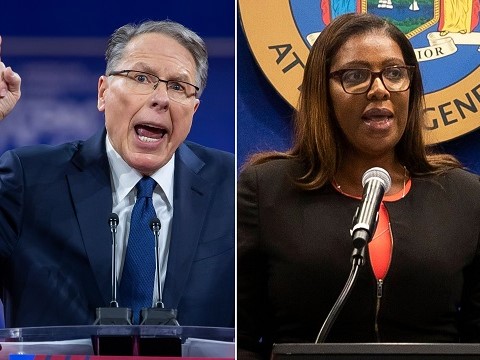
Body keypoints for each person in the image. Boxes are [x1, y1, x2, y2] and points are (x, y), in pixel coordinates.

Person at [237, 12, 480, 359]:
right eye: (356, 76)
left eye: (395, 74)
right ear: (324, 91)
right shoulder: (267, 190)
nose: (379, 89)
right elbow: (241, 338)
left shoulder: (465, 196)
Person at [0, 19, 234, 328]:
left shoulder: (231, 185)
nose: (161, 98)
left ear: (193, 109)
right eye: (141, 77)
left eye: (178, 86)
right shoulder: (29, 179)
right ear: (103, 92)